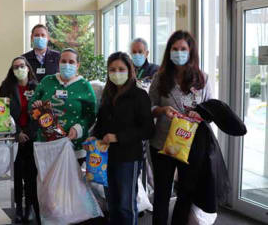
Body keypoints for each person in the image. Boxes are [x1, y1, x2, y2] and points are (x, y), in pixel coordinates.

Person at [148, 30, 212, 225]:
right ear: (169, 52)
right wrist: (161, 110)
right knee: (162, 193)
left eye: (183, 49)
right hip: (162, 144)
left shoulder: (203, 79)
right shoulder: (160, 77)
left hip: (191, 145)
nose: (178, 53)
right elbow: (149, 108)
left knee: (186, 193)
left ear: (191, 51)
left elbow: (210, 108)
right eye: (174, 49)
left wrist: (200, 115)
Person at [88, 52, 155, 225]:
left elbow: (147, 129)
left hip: (128, 158)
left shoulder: (139, 96)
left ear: (130, 70)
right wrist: (93, 137)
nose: (116, 73)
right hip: (105, 157)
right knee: (112, 203)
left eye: (121, 69)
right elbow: (101, 123)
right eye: (112, 69)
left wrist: (118, 137)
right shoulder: (107, 95)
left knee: (126, 205)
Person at [29, 48, 97, 162]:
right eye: (63, 61)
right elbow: (32, 105)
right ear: (58, 63)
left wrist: (78, 129)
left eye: (71, 62)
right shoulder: (47, 81)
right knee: (46, 180)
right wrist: (35, 107)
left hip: (74, 146)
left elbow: (91, 114)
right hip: (46, 144)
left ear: (78, 65)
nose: (67, 65)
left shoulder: (84, 86)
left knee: (71, 179)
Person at [0, 57, 40, 224]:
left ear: (28, 68)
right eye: (16, 67)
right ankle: (18, 209)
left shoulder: (37, 87)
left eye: (22, 66)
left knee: (31, 176)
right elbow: (1, 114)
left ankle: (29, 206)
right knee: (17, 176)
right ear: (12, 70)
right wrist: (17, 134)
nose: (19, 69)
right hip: (14, 139)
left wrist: (28, 133)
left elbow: (41, 114)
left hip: (33, 138)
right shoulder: (6, 87)